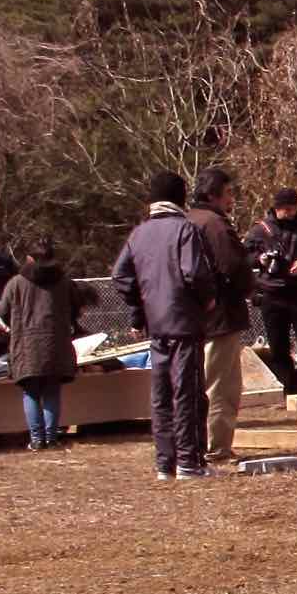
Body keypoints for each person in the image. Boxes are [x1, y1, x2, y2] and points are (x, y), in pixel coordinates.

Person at [113, 171, 217, 482]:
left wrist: (140, 307)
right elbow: (195, 274)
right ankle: (189, 461)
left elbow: (121, 276)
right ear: (180, 197)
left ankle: (164, 462)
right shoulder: (186, 230)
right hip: (184, 322)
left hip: (156, 324)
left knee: (160, 394)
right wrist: (207, 299)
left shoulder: (139, 234)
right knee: (187, 392)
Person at [186, 168, 254, 466]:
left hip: (189, 319)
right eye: (228, 194)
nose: (231, 200)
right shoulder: (214, 225)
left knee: (195, 383)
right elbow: (232, 266)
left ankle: (194, 442)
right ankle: (217, 446)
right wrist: (251, 289)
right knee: (221, 386)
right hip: (220, 318)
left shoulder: (185, 221)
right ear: (213, 195)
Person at [0, 238, 95, 450]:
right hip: (56, 342)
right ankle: (51, 438)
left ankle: (36, 439)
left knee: (31, 391)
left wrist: (14, 326)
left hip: (26, 344)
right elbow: (76, 308)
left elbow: (3, 311)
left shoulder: (16, 283)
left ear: (29, 258)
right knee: (52, 391)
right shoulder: (64, 282)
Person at [246, 189, 297, 396]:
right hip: (272, 294)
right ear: (277, 208)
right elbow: (244, 257)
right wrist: (261, 259)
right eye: (287, 209)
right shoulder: (260, 230)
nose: (291, 212)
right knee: (278, 348)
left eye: (294, 208)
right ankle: (291, 386)